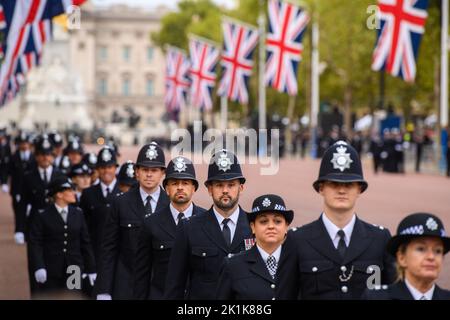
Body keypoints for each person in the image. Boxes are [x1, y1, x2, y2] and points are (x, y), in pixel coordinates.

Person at [292, 141, 396, 299]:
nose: (341, 190)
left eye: (349, 184)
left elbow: (393, 293)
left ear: (359, 189)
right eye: (334, 184)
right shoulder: (297, 239)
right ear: (321, 188)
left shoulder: (380, 239)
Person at [164, 150, 252, 300]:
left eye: (231, 184)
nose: (225, 190)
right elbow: (175, 285)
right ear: (210, 189)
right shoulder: (189, 228)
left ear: (241, 188)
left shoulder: (255, 227)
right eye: (219, 185)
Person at [95, 142, 169, 300]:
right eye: (145, 169)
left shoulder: (170, 205)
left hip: (159, 289)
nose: (149, 174)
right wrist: (104, 289)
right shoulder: (120, 203)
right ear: (137, 172)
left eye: (154, 170)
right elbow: (109, 249)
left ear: (163, 173)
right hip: (126, 286)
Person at [133, 156, 206, 299]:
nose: (179, 187)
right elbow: (142, 273)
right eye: (174, 183)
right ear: (166, 188)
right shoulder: (151, 223)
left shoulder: (207, 220)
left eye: (185, 183)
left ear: (193, 188)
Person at [216, 194, 299, 300]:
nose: (271, 226)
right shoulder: (233, 265)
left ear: (286, 227)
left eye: (277, 221)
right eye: (263, 221)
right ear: (253, 227)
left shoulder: (299, 263)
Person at [29, 176, 96, 298]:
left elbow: (85, 243)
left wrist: (91, 268)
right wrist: (39, 266)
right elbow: (35, 243)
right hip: (51, 269)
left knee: (73, 296)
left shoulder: (78, 214)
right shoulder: (43, 216)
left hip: (74, 268)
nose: (73, 193)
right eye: (69, 190)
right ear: (59, 194)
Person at [363, 213, 450, 300]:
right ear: (402, 258)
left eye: (438, 251)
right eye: (421, 249)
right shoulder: (377, 297)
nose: (431, 257)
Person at [80, 147, 121, 265]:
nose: (106, 171)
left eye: (109, 167)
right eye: (102, 167)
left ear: (115, 168)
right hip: (94, 254)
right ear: (97, 169)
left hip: (119, 256)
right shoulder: (88, 194)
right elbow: (84, 228)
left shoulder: (126, 192)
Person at [8, 132, 36, 244]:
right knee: (18, 211)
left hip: (30, 189)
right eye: (21, 143)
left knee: (31, 212)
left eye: (26, 143)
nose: (24, 145)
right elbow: (8, 171)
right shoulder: (14, 157)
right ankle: (19, 231)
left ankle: (27, 232)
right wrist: (5, 182)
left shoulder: (34, 157)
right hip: (17, 190)